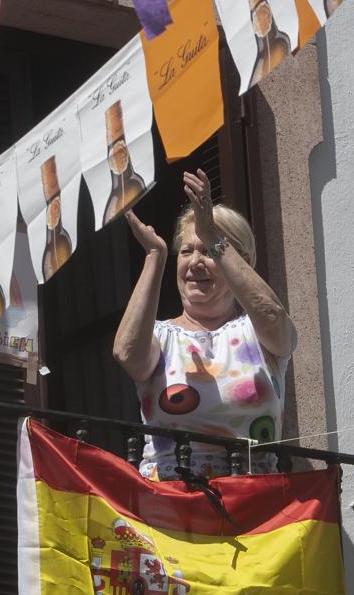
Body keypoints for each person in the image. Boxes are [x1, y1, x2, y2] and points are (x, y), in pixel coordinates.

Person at [113, 169, 296, 479]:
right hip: (171, 507)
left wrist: (214, 235)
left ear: (242, 261)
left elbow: (277, 324)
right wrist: (155, 256)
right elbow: (127, 353)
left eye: (208, 251)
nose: (195, 262)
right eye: (186, 251)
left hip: (258, 508)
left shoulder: (257, 331)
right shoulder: (161, 336)